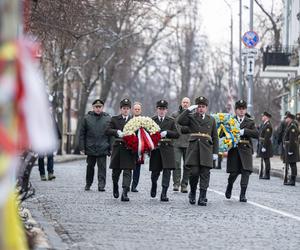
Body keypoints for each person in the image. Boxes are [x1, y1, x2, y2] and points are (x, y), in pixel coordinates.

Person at [177, 96, 218, 206]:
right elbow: (180, 121)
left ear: (206, 108)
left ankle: (203, 196)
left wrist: (215, 152)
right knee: (194, 173)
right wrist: (189, 109)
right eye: (199, 107)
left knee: (205, 173)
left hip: (206, 150)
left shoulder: (211, 119)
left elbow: (215, 136)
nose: (201, 109)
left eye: (203, 107)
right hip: (194, 149)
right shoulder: (191, 117)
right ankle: (193, 192)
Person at [225, 100, 258, 202]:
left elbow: (256, 134)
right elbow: (224, 133)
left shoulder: (250, 121)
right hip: (234, 149)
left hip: (246, 149)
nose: (241, 111)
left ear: (245, 110)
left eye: (243, 109)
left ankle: (242, 194)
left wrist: (245, 131)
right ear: (236, 110)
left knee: (246, 172)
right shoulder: (230, 120)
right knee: (234, 173)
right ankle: (229, 186)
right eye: (239, 109)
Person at [106, 98, 136, 201]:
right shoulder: (114, 119)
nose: (126, 110)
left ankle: (125, 192)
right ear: (120, 109)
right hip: (118, 148)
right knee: (116, 172)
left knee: (128, 171)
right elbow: (108, 130)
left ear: (130, 109)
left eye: (127, 108)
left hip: (129, 149)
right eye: (124, 108)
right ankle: (115, 186)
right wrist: (116, 132)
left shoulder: (134, 120)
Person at [149, 100, 179, 202]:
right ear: (157, 109)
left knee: (167, 172)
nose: (161, 111)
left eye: (163, 109)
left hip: (167, 149)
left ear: (166, 110)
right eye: (160, 109)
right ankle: (154, 185)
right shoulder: (151, 120)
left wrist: (167, 132)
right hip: (156, 149)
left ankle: (164, 193)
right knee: (155, 173)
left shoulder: (171, 120)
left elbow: (177, 134)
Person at [79, 99, 111, 191]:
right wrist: (82, 147)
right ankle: (88, 183)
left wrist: (111, 147)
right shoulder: (86, 118)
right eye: (96, 107)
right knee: (90, 167)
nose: (98, 109)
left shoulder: (108, 118)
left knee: (102, 168)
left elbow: (110, 135)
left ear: (102, 107)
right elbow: (82, 134)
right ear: (93, 108)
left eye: (99, 107)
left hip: (103, 147)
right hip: (90, 147)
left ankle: (101, 185)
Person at [171, 97, 191, 193]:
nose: (185, 104)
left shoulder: (193, 115)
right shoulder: (175, 115)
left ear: (190, 104)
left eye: (187, 102)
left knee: (187, 165)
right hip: (176, 142)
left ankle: (184, 185)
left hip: (188, 143)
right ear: (181, 103)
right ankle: (176, 183)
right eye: (184, 102)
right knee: (176, 163)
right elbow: (172, 128)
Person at [38, 108, 61, 181]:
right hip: (41, 140)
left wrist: (58, 136)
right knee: (41, 157)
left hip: (50, 140)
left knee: (50, 156)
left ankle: (50, 173)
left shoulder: (52, 117)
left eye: (51, 109)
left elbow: (55, 127)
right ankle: (42, 174)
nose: (50, 110)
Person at [282, 113, 299, 186]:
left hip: (292, 148)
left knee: (293, 164)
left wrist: (290, 150)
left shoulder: (292, 127)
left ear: (290, 119)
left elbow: (292, 140)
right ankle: (291, 180)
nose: (285, 119)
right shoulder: (289, 126)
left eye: (287, 118)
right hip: (289, 147)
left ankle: (293, 180)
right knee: (291, 164)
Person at [131, 102, 143, 192]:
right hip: (129, 146)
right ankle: (126, 184)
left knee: (137, 167)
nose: (137, 110)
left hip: (140, 147)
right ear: (133, 110)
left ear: (141, 110)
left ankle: (134, 185)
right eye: (135, 109)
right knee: (127, 166)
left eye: (138, 109)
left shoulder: (145, 121)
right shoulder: (129, 120)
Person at [257, 111, 273, 180]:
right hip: (263, 143)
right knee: (264, 159)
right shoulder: (264, 124)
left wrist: (264, 146)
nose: (262, 117)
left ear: (266, 117)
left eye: (263, 116)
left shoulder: (268, 125)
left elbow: (267, 137)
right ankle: (265, 174)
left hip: (266, 145)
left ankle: (267, 174)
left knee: (266, 160)